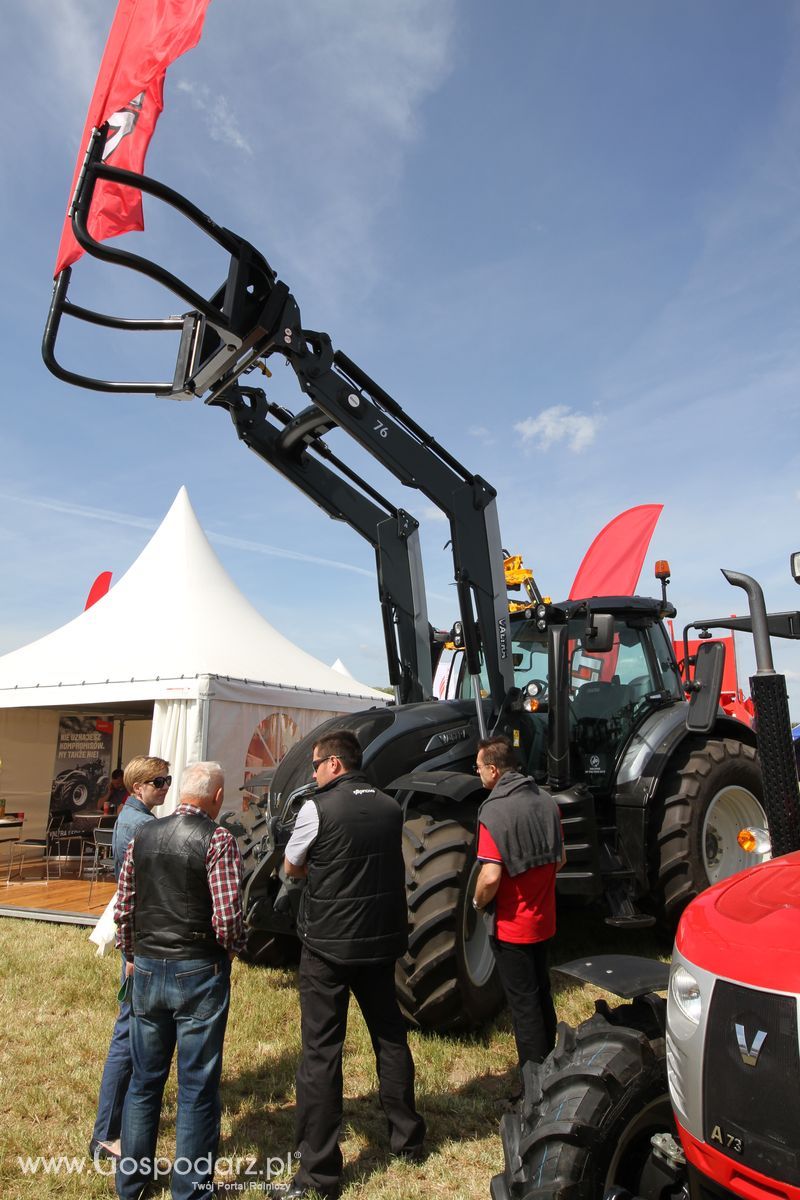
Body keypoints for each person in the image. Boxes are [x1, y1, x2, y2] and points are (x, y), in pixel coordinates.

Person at [274, 731, 425, 1200]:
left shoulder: (316, 809)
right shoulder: (389, 804)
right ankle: (408, 1139)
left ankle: (318, 1175)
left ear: (334, 765)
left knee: (321, 1053)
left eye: (316, 766)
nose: (313, 774)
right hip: (381, 942)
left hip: (328, 947)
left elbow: (292, 866)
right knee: (390, 1036)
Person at [114, 760, 244, 1200]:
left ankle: (130, 1184)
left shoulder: (143, 835)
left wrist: (132, 955)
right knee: (196, 1086)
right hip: (197, 969)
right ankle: (189, 1191)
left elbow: (124, 905)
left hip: (148, 966)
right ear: (217, 797)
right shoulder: (219, 839)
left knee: (145, 1082)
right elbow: (227, 917)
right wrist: (229, 949)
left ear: (179, 792)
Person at [90, 756, 171, 1162]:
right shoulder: (140, 826)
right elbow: (135, 897)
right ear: (139, 786)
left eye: (168, 780)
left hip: (135, 940)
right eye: (159, 781)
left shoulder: (135, 819)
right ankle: (106, 1136)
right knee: (127, 1034)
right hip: (138, 942)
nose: (165, 786)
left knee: (132, 1031)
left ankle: (114, 1129)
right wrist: (134, 952)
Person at [473, 735, 565, 1095]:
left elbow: (490, 876)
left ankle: (534, 1092)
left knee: (523, 1008)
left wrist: (479, 904)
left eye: (479, 768)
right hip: (544, 919)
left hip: (513, 927)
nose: (477, 774)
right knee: (543, 996)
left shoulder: (493, 812)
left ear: (494, 771)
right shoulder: (546, 801)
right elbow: (560, 860)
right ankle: (555, 1072)